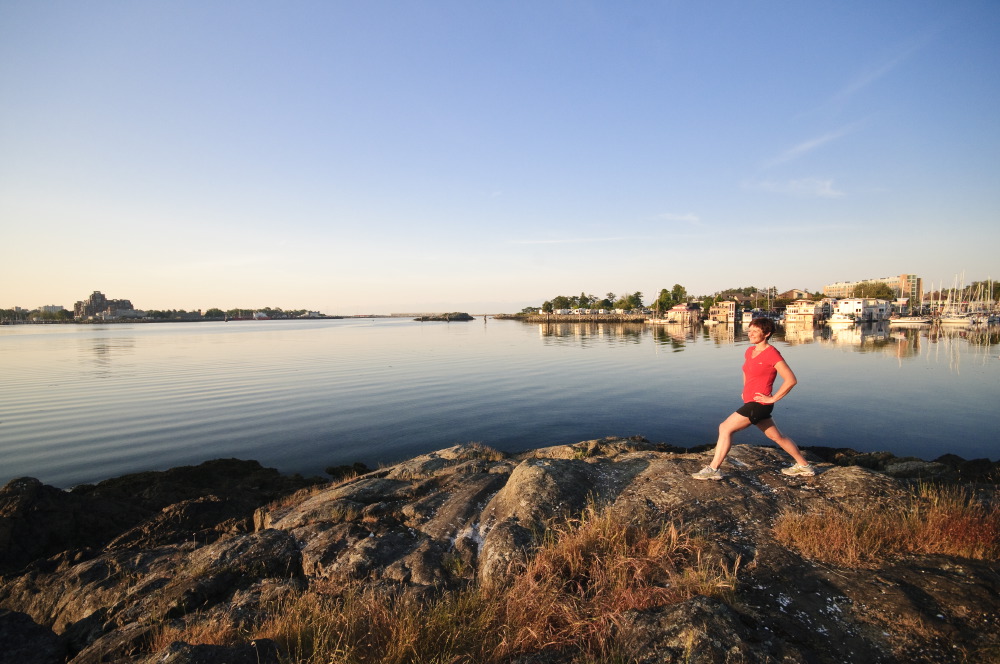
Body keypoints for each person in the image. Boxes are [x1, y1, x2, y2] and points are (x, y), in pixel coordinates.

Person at [692, 317, 815, 480]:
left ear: (767, 334)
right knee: (777, 437)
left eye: (755, 331)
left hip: (759, 404)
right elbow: (746, 370)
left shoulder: (772, 354)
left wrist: (773, 399)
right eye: (749, 330)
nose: (750, 334)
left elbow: (791, 380)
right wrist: (745, 390)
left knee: (725, 428)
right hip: (751, 401)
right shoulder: (750, 351)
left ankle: (713, 469)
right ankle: (804, 466)